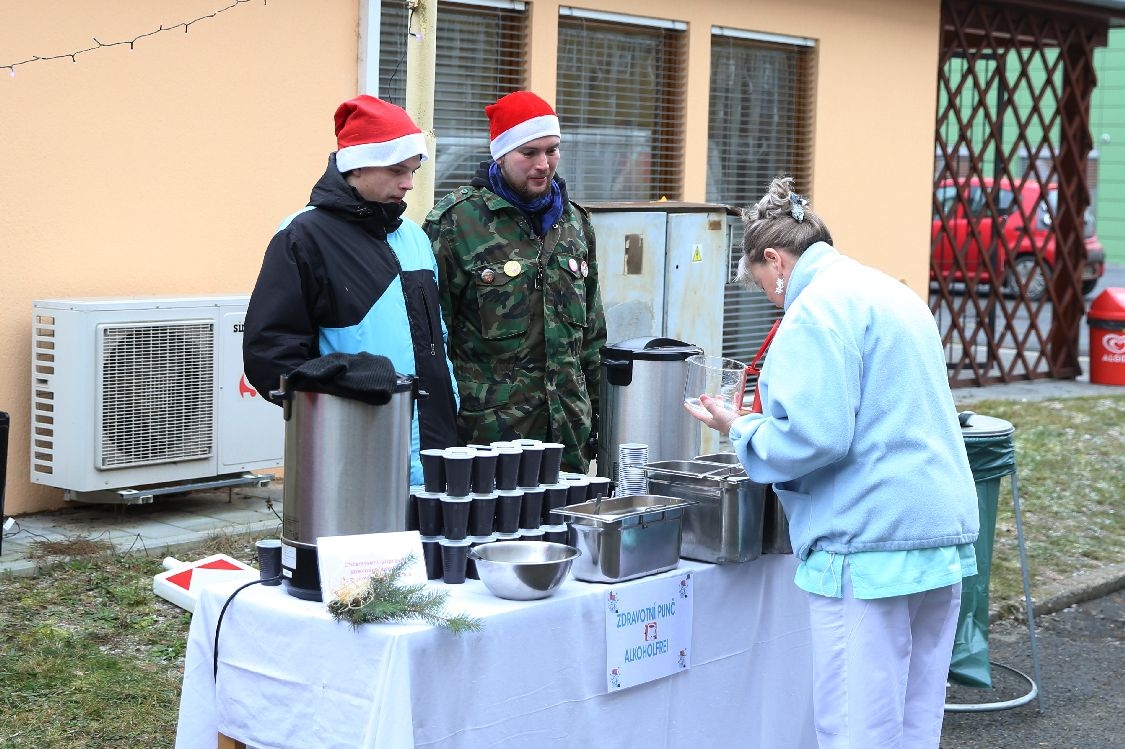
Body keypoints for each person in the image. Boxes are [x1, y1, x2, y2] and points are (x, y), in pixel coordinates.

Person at [687, 176, 980, 748]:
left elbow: (814, 439)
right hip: (939, 536)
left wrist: (739, 426)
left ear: (774, 259)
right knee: (916, 721)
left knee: (855, 729)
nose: (772, 297)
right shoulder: (889, 291)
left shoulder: (815, 309)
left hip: (869, 544)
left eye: (762, 285)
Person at [243, 95, 459, 486]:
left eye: (413, 170)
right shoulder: (302, 235)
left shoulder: (413, 237)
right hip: (353, 446)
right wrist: (341, 380)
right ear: (357, 165)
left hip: (434, 447)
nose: (409, 183)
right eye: (396, 170)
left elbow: (434, 341)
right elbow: (269, 356)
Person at [424, 91, 606, 473]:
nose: (543, 164)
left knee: (565, 531)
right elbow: (432, 340)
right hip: (489, 439)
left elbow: (591, 337)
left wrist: (599, 419)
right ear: (501, 154)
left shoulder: (575, 223)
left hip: (567, 435)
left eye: (552, 150)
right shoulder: (457, 223)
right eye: (529, 153)